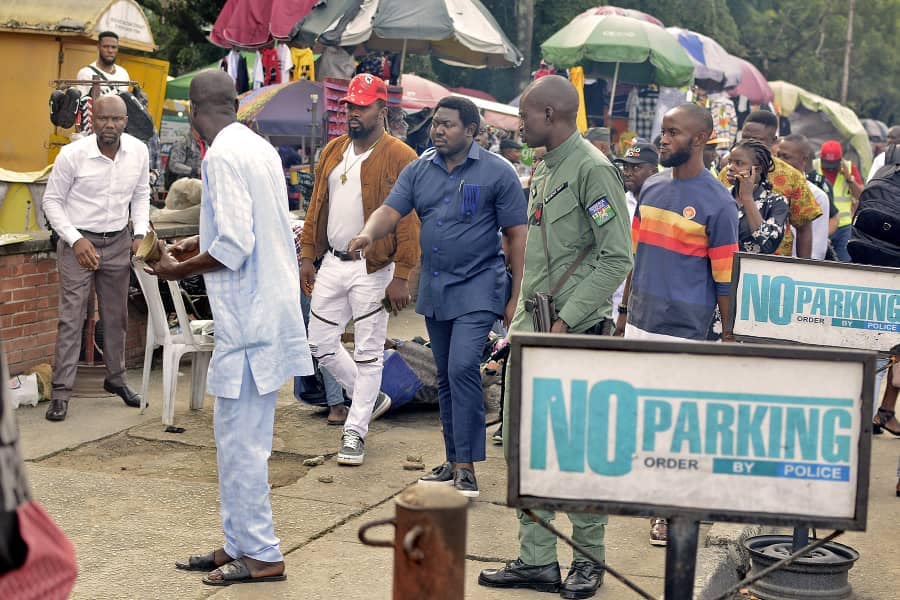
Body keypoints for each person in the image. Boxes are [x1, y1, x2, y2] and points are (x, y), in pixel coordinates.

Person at [150, 70, 313, 586]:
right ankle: (238, 543)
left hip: (251, 321)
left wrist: (180, 267)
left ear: (195, 113)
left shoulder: (219, 154)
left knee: (243, 444)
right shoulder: (256, 146)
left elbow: (235, 246)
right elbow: (247, 226)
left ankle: (263, 553)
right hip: (263, 313)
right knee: (233, 438)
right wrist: (195, 242)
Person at [478, 75, 633, 599]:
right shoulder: (546, 166)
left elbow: (617, 257)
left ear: (549, 114)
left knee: (578, 452)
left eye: (524, 116)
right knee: (523, 449)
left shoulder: (591, 168)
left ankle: (587, 561)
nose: (519, 125)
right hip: (533, 332)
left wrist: (565, 319)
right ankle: (537, 560)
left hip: (575, 333)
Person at [348, 95, 527, 498]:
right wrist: (368, 234)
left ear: (472, 131)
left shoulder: (498, 173)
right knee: (445, 375)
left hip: (481, 285)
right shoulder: (419, 170)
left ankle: (467, 467)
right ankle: (452, 459)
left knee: (463, 367)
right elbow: (390, 211)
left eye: (447, 124)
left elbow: (517, 236)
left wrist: (517, 295)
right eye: (435, 123)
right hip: (437, 287)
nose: (438, 130)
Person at [618, 104, 739, 546]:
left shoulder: (719, 204)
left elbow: (725, 280)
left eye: (673, 132)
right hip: (641, 322)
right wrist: (625, 313)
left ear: (701, 139)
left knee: (676, 423)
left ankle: (669, 513)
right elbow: (635, 259)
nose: (663, 139)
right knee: (645, 420)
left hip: (686, 329)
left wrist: (726, 337)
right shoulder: (650, 188)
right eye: (663, 131)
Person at [300, 73, 420, 464]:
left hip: (375, 267)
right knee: (319, 344)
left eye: (362, 105)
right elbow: (317, 205)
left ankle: (355, 431)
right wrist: (307, 255)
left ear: (382, 109)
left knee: (369, 352)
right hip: (333, 260)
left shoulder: (401, 155)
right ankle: (370, 399)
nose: (353, 112)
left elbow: (408, 220)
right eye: (350, 105)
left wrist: (402, 275)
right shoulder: (334, 150)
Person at [41, 95, 150, 422]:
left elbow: (142, 193)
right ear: (93, 120)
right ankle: (61, 392)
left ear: (125, 121)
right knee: (72, 318)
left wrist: (140, 232)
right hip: (79, 242)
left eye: (116, 119)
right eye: (103, 119)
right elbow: (52, 202)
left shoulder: (138, 152)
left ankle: (116, 380)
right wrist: (75, 240)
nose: (109, 125)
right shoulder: (72, 155)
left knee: (116, 317)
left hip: (118, 240)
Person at [720, 110, 821, 259]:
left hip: (773, 267)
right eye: (745, 137)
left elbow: (804, 227)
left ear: (773, 140)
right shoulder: (726, 173)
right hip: (725, 264)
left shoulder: (792, 177)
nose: (749, 143)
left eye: (756, 139)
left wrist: (804, 268)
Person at [609, 142, 658, 323]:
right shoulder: (617, 202)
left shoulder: (663, 206)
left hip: (648, 300)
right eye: (626, 167)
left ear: (653, 171)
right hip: (614, 299)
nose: (627, 172)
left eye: (635, 167)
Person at [774, 135, 835, 259]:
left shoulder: (818, 196)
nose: (780, 162)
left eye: (786, 157)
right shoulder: (768, 187)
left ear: (804, 160)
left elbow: (816, 249)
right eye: (778, 156)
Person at [724, 139, 789, 254]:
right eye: (729, 162)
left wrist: (747, 198)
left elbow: (768, 245)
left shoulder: (776, 202)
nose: (730, 167)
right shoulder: (721, 197)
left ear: (757, 170)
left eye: (738, 163)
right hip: (718, 268)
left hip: (751, 270)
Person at [813, 140, 864, 262]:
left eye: (834, 164)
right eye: (827, 164)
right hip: (820, 223)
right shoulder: (814, 166)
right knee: (817, 259)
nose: (830, 169)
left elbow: (861, 196)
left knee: (845, 262)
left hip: (843, 226)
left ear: (841, 159)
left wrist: (849, 179)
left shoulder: (850, 168)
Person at [76, 31, 130, 98]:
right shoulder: (86, 73)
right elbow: (83, 104)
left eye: (114, 47)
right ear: (98, 47)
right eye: (106, 46)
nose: (110, 51)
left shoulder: (123, 73)